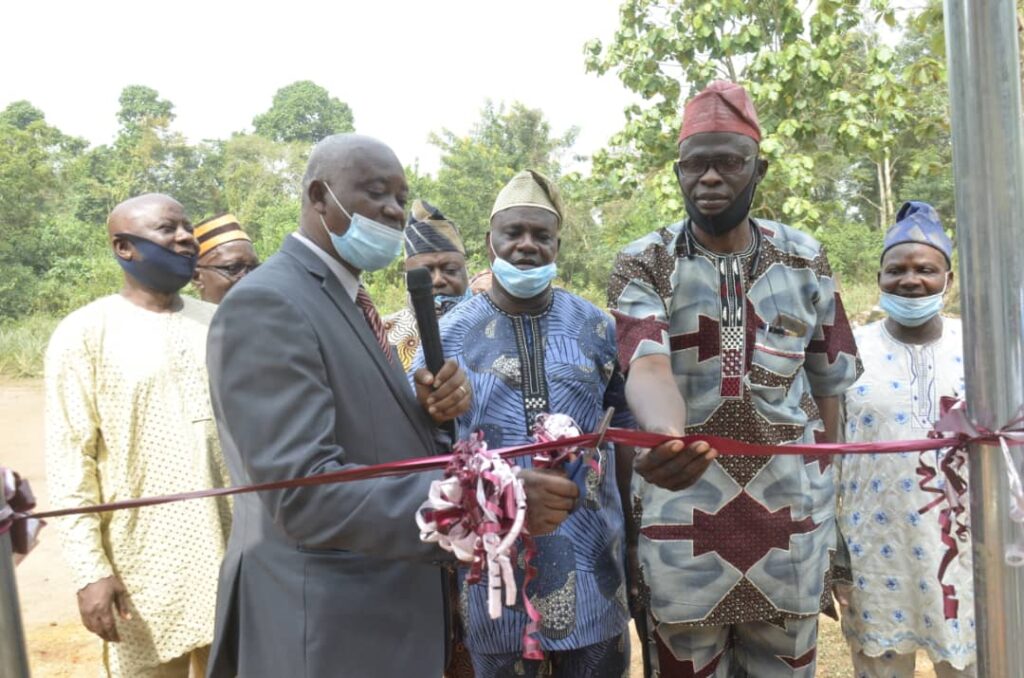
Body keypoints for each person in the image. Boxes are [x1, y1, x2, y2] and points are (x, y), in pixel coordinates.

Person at [204, 134, 580, 678]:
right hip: (326, 629)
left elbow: (362, 437)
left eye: (401, 198)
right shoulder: (270, 303)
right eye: (376, 193)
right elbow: (301, 491)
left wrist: (423, 415)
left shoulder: (342, 298)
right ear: (318, 196)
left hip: (377, 617)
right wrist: (480, 501)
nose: (393, 211)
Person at [607, 81, 862, 676]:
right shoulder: (645, 260)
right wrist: (668, 434)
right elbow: (645, 360)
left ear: (759, 168)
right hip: (682, 511)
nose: (711, 178)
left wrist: (829, 498)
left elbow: (830, 387)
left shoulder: (804, 258)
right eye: (696, 164)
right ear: (678, 172)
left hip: (791, 520)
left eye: (728, 162)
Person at [413, 169, 636, 677]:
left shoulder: (597, 325)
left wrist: (635, 535)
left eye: (541, 235)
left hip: (594, 560)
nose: (527, 246)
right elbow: (425, 445)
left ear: (558, 244)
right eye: (513, 233)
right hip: (492, 575)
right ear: (490, 241)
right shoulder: (444, 337)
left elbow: (622, 425)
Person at [44, 193, 232, 677]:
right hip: (141, 574)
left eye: (187, 227)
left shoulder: (220, 324)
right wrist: (91, 572)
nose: (187, 238)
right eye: (169, 229)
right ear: (124, 248)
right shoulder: (85, 333)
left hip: (233, 558)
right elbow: (70, 461)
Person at [834, 201, 975, 677]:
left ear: (948, 282)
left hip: (965, 550)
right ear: (879, 279)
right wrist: (834, 551)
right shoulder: (848, 351)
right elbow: (827, 455)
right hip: (875, 551)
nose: (910, 280)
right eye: (896, 270)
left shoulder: (981, 348)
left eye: (925, 270)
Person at [383, 199, 471, 369]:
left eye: (451, 270)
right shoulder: (383, 334)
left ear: (467, 273)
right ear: (407, 277)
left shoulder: (494, 324)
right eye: (425, 272)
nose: (438, 280)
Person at [191, 213, 260, 304]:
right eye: (234, 268)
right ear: (197, 277)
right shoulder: (180, 317)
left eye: (255, 268)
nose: (250, 278)